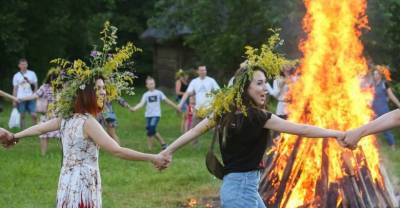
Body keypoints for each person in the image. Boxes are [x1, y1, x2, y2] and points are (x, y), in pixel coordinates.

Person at [159, 66, 344, 208]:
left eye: (265, 83)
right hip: (241, 191)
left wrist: (168, 151)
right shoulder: (257, 117)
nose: (265, 89)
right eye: (259, 83)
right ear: (245, 87)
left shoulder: (225, 112)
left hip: (239, 188)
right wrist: (337, 134)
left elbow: (193, 132)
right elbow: (302, 129)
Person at [0, 77, 169, 208]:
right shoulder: (88, 122)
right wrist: (152, 157)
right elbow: (117, 150)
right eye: (99, 89)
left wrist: (15, 136)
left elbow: (39, 128)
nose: (103, 92)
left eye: (104, 88)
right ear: (86, 94)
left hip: (67, 182)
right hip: (83, 186)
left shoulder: (66, 118)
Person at [130, 76, 180, 150]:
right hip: (148, 115)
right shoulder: (146, 95)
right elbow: (141, 103)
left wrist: (176, 107)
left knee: (151, 128)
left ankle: (157, 145)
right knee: (150, 130)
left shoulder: (159, 93)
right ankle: (157, 146)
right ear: (146, 85)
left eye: (152, 83)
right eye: (149, 84)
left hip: (156, 115)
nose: (151, 85)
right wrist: (134, 108)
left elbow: (167, 101)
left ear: (155, 84)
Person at [18, 69, 61, 156]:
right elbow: (35, 95)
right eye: (53, 77)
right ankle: (43, 154)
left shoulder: (62, 88)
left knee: (62, 135)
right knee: (43, 134)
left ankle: (65, 154)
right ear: (50, 78)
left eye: (56, 78)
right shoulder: (45, 87)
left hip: (59, 115)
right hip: (46, 115)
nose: (55, 80)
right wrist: (22, 99)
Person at [178, 65, 220, 146]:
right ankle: (193, 144)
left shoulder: (211, 81)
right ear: (198, 71)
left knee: (215, 128)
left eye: (204, 70)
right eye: (201, 70)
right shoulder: (194, 81)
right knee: (193, 128)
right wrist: (180, 104)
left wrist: (218, 104)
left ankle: (220, 143)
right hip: (198, 109)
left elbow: (219, 92)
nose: (203, 72)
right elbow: (188, 93)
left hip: (209, 109)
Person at [371, 65, 400, 149]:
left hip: (383, 110)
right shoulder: (373, 85)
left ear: (380, 75)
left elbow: (391, 96)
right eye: (374, 74)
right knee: (371, 128)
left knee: (386, 129)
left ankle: (392, 146)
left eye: (376, 74)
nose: (375, 76)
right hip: (374, 110)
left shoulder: (384, 84)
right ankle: (373, 147)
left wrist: (399, 104)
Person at [12, 58, 38, 128]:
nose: (24, 66)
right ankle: (23, 130)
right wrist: (14, 100)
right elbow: (15, 89)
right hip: (20, 98)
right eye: (22, 64)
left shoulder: (32, 73)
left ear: (27, 65)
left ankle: (34, 129)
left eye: (25, 64)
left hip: (31, 97)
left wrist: (36, 95)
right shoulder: (16, 75)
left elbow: (35, 86)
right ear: (19, 65)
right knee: (22, 115)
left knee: (34, 114)